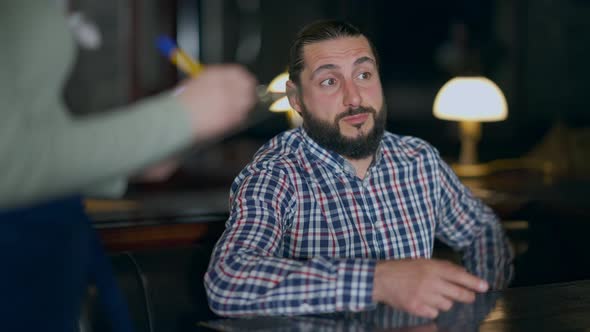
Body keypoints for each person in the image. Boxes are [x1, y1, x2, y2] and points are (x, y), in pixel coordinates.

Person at [204, 20, 513, 319]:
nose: (354, 98)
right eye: (329, 81)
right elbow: (227, 282)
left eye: (364, 75)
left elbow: (482, 231)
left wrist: (476, 304)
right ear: (296, 98)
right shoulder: (277, 173)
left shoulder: (419, 160)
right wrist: (378, 282)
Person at [0, 1, 256, 330]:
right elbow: (10, 162)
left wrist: (145, 154)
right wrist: (177, 118)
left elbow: (39, 135)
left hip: (50, 248)